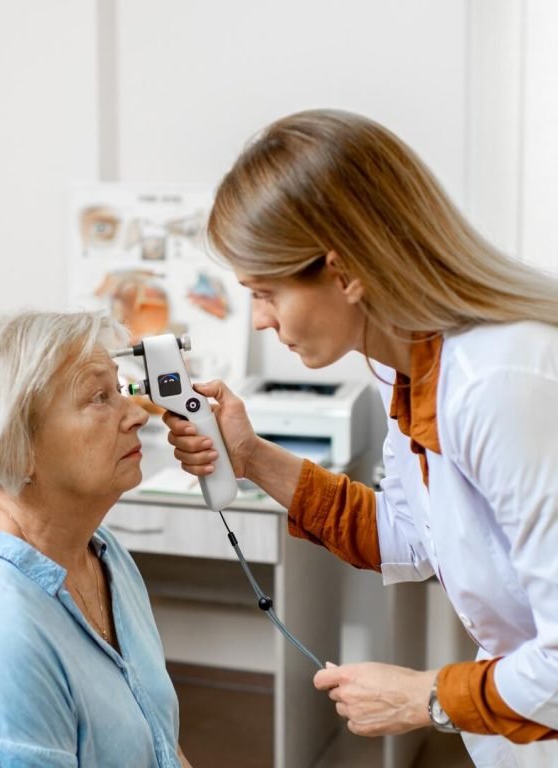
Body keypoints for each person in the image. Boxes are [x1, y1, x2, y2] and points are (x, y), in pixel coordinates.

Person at [163, 109, 558, 768]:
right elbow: (411, 538)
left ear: (343, 273)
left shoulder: (501, 382)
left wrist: (424, 698)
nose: (259, 321)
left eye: (266, 293)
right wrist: (252, 457)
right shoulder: (400, 359)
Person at [0, 310, 192, 768]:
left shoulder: (103, 554)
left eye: (120, 390)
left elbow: (160, 743)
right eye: (99, 397)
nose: (137, 415)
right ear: (16, 444)